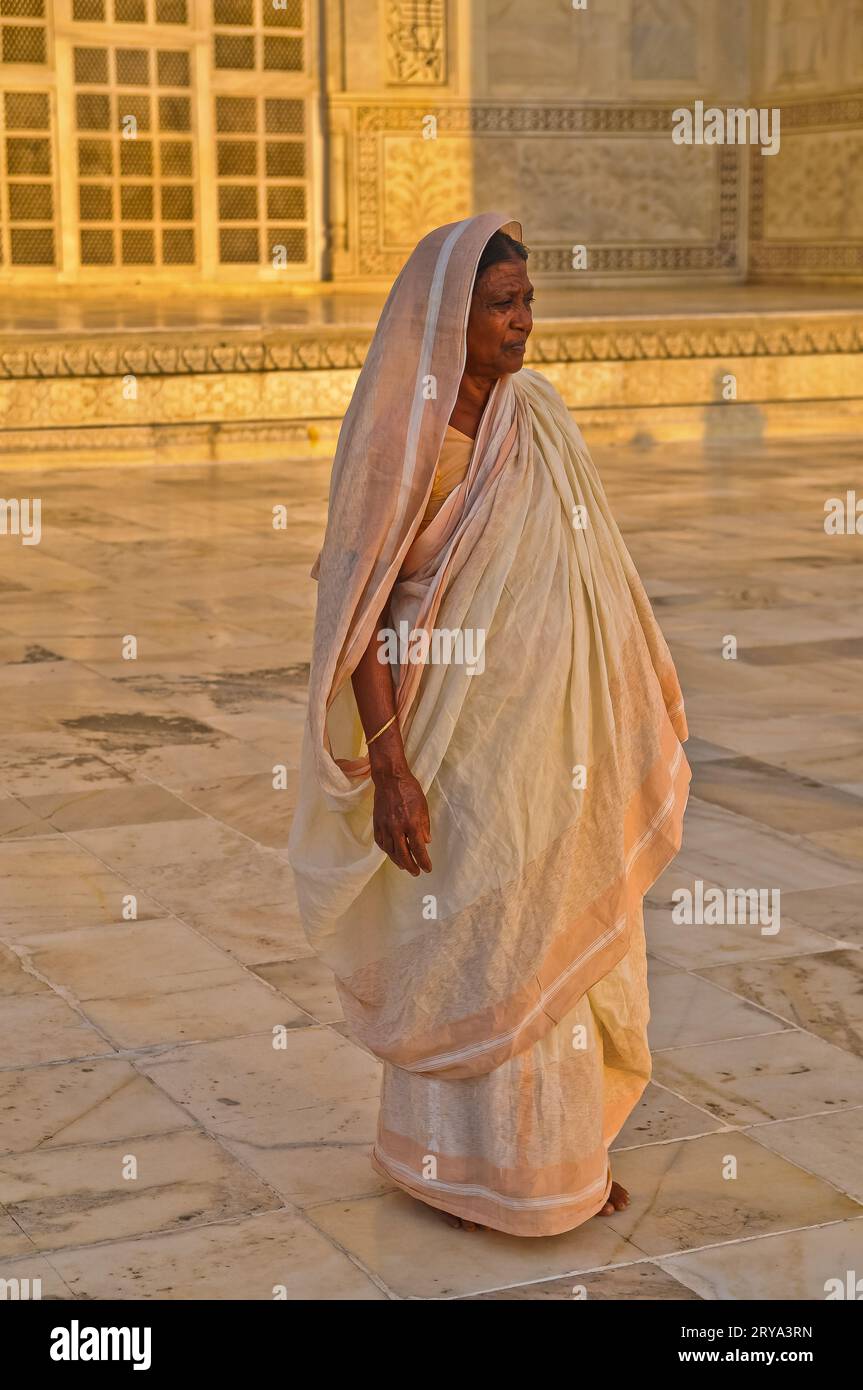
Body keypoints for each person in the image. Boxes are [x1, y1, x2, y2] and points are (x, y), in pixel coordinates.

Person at [288, 212, 690, 1236]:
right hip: (454, 742)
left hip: (548, 746)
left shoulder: (533, 412)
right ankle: (457, 1168)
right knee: (479, 940)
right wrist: (391, 771)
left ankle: (556, 1164)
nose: (522, 325)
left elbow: (590, 564)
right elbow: (359, 609)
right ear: (447, 318)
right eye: (501, 306)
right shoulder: (403, 436)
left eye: (527, 304)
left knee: (548, 929)